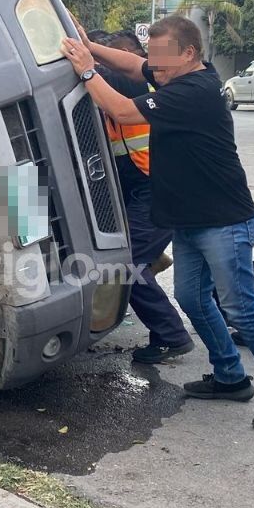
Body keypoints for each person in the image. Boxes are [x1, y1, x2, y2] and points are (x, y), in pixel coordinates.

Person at [61, 15, 254, 432]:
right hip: (190, 222)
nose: (151, 66)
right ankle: (230, 377)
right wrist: (91, 46)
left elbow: (120, 109)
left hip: (224, 223)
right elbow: (129, 65)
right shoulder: (175, 76)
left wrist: (85, 67)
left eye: (159, 58)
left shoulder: (194, 91)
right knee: (193, 300)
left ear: (189, 53)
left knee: (242, 311)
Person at [96, 34, 195, 364]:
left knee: (129, 266)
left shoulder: (138, 83)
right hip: (149, 188)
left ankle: (171, 335)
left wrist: (77, 56)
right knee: (206, 260)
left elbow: (110, 77)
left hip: (159, 189)